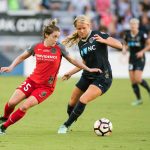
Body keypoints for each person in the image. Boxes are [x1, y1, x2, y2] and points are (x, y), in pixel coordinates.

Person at [0, 19, 100, 135]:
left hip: (45, 88)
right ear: (47, 35)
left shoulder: (59, 48)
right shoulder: (36, 46)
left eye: (58, 37)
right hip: (31, 81)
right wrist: (11, 67)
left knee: (24, 106)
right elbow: (22, 57)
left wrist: (88, 68)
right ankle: (5, 117)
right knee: (11, 103)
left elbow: (73, 60)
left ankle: (3, 127)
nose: (56, 40)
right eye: (54, 37)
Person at [57, 15, 123, 134]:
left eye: (83, 28)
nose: (81, 31)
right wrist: (70, 73)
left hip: (103, 77)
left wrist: (105, 41)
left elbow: (120, 45)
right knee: (72, 102)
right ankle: (71, 121)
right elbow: (84, 63)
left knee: (83, 99)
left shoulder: (98, 35)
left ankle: (65, 125)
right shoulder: (80, 43)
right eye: (79, 29)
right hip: (87, 75)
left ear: (89, 26)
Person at [122, 18, 150, 106]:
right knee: (133, 80)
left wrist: (142, 52)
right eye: (131, 24)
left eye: (135, 24)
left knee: (138, 79)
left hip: (140, 59)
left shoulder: (142, 34)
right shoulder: (127, 35)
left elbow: (149, 44)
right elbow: (125, 44)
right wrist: (124, 49)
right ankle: (139, 99)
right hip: (132, 59)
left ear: (137, 25)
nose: (133, 26)